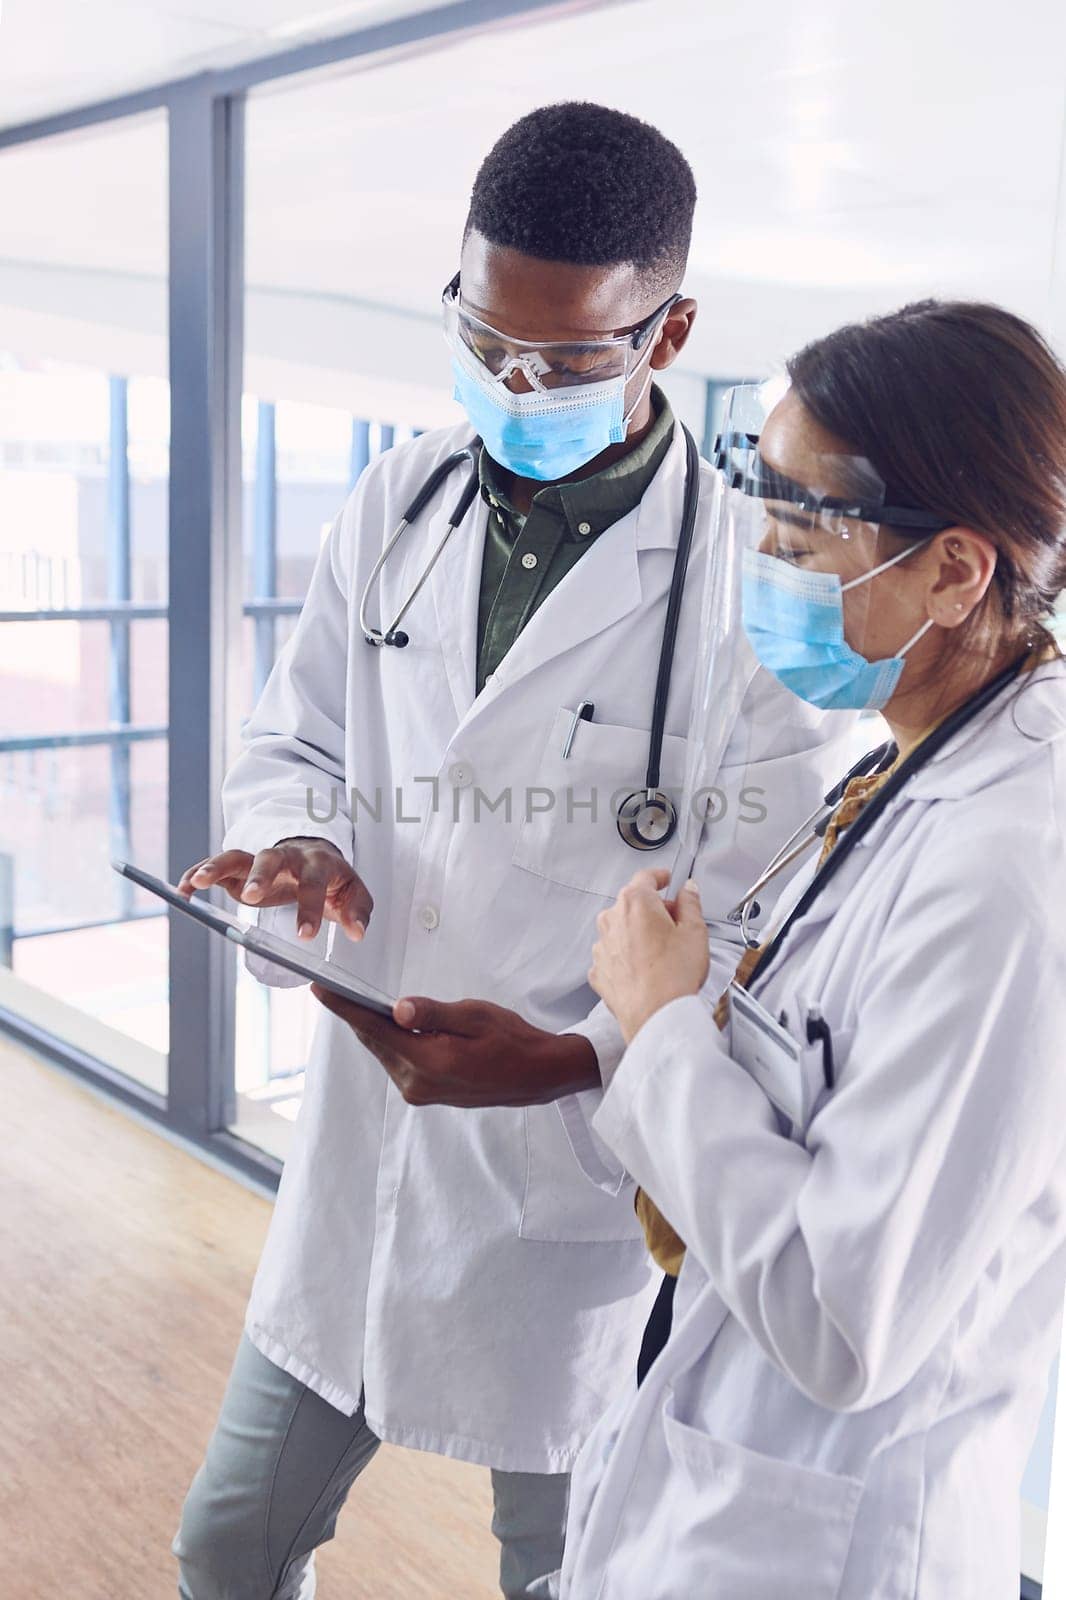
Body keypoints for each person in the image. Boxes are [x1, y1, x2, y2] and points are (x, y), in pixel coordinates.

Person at [172, 102, 854, 1599]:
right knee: (228, 1543)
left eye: (561, 360)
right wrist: (294, 843)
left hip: (569, 1188)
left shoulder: (752, 600)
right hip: (365, 1148)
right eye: (482, 339)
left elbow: (764, 933)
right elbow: (296, 743)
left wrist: (568, 1059)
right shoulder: (392, 502)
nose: (510, 382)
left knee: (563, 1576)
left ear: (666, 337)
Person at [547, 300, 1066, 1599]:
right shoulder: (917, 763)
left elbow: (845, 1325)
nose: (761, 562)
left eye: (798, 530)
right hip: (725, 1480)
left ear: (955, 570)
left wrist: (661, 1028)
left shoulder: (1004, 869)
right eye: (758, 515)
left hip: (825, 1541)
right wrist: (628, 1025)